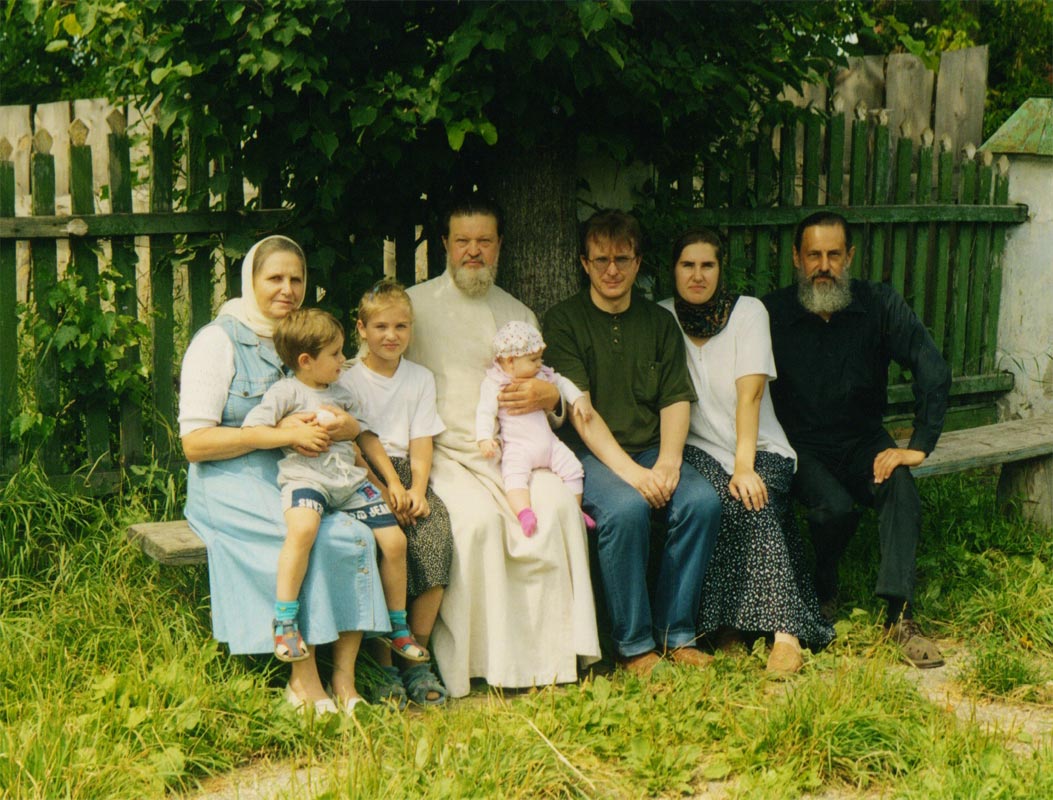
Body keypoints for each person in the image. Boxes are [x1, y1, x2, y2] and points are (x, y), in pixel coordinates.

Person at [179, 235, 388, 715]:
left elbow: (344, 416)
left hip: (301, 473)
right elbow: (195, 444)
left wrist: (346, 430)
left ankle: (345, 676)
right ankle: (303, 679)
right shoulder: (218, 341)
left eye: (296, 278)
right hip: (229, 478)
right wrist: (277, 435)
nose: (287, 289)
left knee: (351, 535)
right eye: (274, 278)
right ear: (250, 281)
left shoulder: (304, 338)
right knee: (296, 536)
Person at [404, 196, 601, 698]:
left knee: (558, 507)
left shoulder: (518, 312)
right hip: (447, 454)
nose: (473, 252)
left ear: (499, 246)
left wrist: (550, 397)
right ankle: (479, 665)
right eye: (463, 241)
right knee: (476, 526)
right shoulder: (415, 306)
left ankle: (552, 659)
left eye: (484, 241)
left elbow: (548, 392)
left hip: (519, 453)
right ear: (445, 244)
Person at [763, 211, 951, 669]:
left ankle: (900, 616)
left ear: (849, 257)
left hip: (864, 439)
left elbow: (931, 366)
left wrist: (919, 444)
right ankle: (824, 582)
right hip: (801, 445)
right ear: (796, 258)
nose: (824, 266)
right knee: (834, 508)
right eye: (814, 255)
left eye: (833, 254)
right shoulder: (771, 314)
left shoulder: (879, 304)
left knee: (900, 486)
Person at [544, 210, 722, 678]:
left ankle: (676, 634)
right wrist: (635, 476)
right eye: (600, 259)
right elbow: (581, 412)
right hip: (587, 455)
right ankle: (635, 645)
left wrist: (668, 464)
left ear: (638, 262)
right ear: (584, 263)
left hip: (650, 450)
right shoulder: (563, 322)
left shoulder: (659, 322)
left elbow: (675, 398)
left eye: (622, 259)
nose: (612, 270)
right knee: (626, 509)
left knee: (701, 502)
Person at [658, 229, 834, 675]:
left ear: (721, 269)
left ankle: (781, 635)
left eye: (708, 265)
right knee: (722, 501)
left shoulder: (748, 312)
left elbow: (750, 394)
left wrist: (743, 464)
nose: (698, 275)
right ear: (673, 270)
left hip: (758, 444)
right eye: (687, 265)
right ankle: (737, 628)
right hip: (697, 448)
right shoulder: (661, 317)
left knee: (755, 497)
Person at [241, 307, 430, 672]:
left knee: (395, 542)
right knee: (302, 530)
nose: (343, 360)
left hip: (349, 482)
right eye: (335, 354)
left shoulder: (342, 393)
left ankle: (398, 627)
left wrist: (391, 481)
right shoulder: (285, 392)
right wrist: (290, 432)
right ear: (306, 361)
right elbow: (252, 432)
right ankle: (285, 621)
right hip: (307, 480)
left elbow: (366, 437)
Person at [340, 279, 453, 706]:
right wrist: (384, 488)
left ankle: (416, 659)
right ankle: (382, 662)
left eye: (401, 327)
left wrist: (417, 490)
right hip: (362, 474)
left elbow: (422, 440)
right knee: (375, 547)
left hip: (407, 473)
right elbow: (354, 443)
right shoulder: (348, 378)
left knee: (434, 533)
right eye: (381, 327)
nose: (391, 336)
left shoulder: (419, 378)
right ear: (361, 329)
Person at [475, 320, 597, 537]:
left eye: (540, 358)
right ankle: (524, 513)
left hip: (549, 443)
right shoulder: (495, 382)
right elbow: (485, 411)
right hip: (518, 447)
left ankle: (576, 511)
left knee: (574, 469)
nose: (540, 364)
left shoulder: (541, 375)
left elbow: (562, 382)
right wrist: (484, 438)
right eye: (533, 360)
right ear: (510, 361)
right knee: (513, 477)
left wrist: (578, 399)